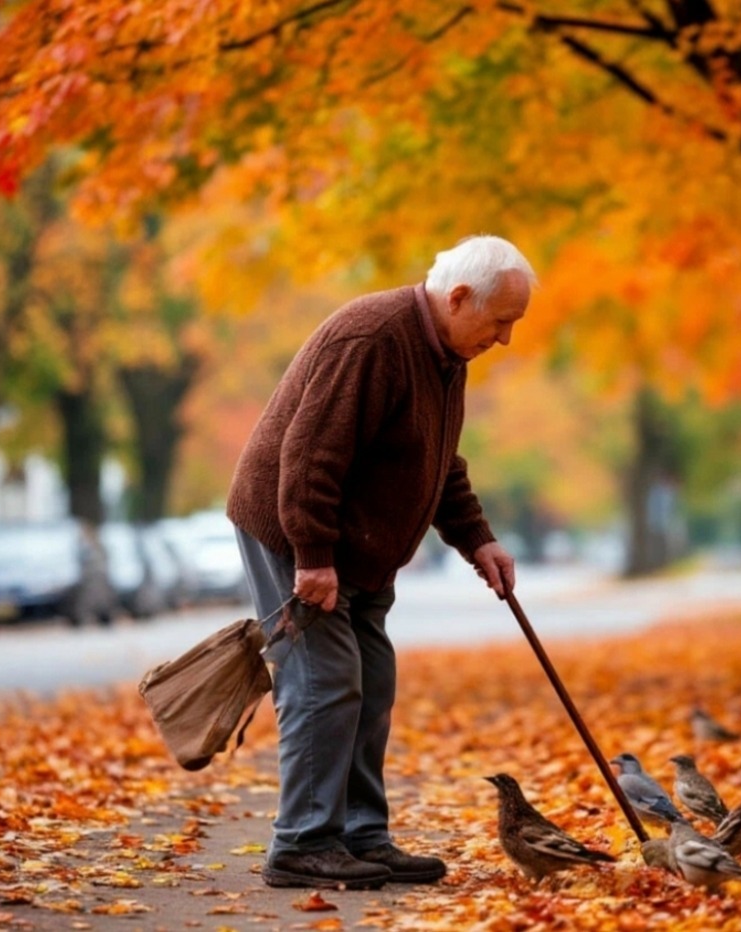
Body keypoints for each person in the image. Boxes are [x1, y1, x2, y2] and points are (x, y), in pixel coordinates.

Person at [226, 235, 535, 890]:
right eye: (501, 321)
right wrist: (312, 555)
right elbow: (310, 454)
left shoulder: (446, 353)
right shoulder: (371, 340)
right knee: (326, 680)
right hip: (297, 531)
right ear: (457, 297)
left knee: (373, 682)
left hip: (360, 548)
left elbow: (437, 459)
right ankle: (303, 842)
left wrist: (477, 538)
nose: (505, 339)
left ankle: (361, 836)